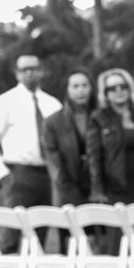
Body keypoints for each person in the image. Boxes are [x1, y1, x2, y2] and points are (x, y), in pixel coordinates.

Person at [0, 55, 60, 212]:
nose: (29, 73)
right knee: (13, 231)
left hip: (49, 174)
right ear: (17, 74)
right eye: (24, 70)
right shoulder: (5, 102)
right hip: (19, 174)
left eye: (33, 69)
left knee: (41, 229)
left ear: (41, 71)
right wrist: (2, 173)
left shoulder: (53, 104)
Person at [87, 69, 134, 206]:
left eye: (123, 86)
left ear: (130, 88)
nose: (119, 90)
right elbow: (94, 158)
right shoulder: (99, 118)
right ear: (105, 93)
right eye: (112, 88)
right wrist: (98, 191)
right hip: (115, 188)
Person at [42, 71, 96, 206]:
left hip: (99, 193)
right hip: (68, 194)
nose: (81, 91)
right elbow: (55, 165)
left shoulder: (101, 117)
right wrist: (76, 197)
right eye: (75, 86)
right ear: (67, 90)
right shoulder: (53, 122)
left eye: (85, 85)